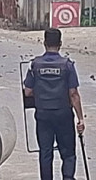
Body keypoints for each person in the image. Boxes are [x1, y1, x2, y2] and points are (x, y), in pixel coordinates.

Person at [23, 28, 85, 180]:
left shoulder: (35, 65)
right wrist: (80, 118)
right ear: (60, 44)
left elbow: (28, 92)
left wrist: (41, 93)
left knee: (45, 152)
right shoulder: (67, 65)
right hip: (63, 115)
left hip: (43, 115)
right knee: (68, 152)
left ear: (44, 43)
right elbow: (73, 94)